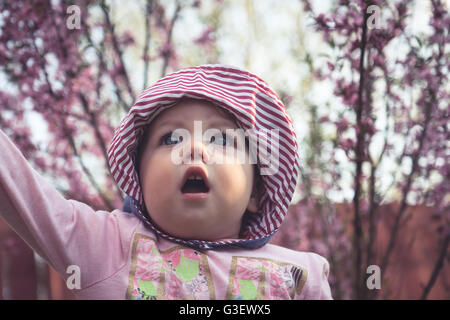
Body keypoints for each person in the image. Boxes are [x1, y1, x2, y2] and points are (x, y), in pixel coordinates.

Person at [0, 64, 332, 299]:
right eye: (171, 139)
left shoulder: (299, 274)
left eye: (219, 139)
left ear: (256, 194)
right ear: (139, 181)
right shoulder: (108, 246)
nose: (194, 148)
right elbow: (20, 190)